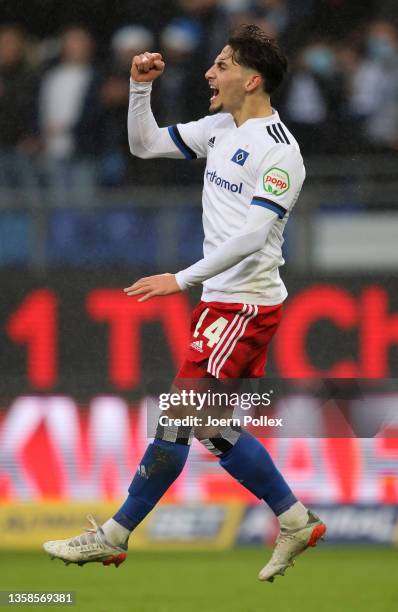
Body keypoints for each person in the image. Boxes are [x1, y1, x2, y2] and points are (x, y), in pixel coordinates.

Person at [43, 24, 326, 583]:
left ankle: (114, 535)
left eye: (220, 65)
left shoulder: (280, 152)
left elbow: (251, 237)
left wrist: (181, 278)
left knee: (176, 418)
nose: (208, 73)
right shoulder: (222, 126)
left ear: (252, 79)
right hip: (225, 303)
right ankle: (295, 521)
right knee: (209, 427)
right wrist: (139, 88)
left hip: (243, 306)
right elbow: (144, 144)